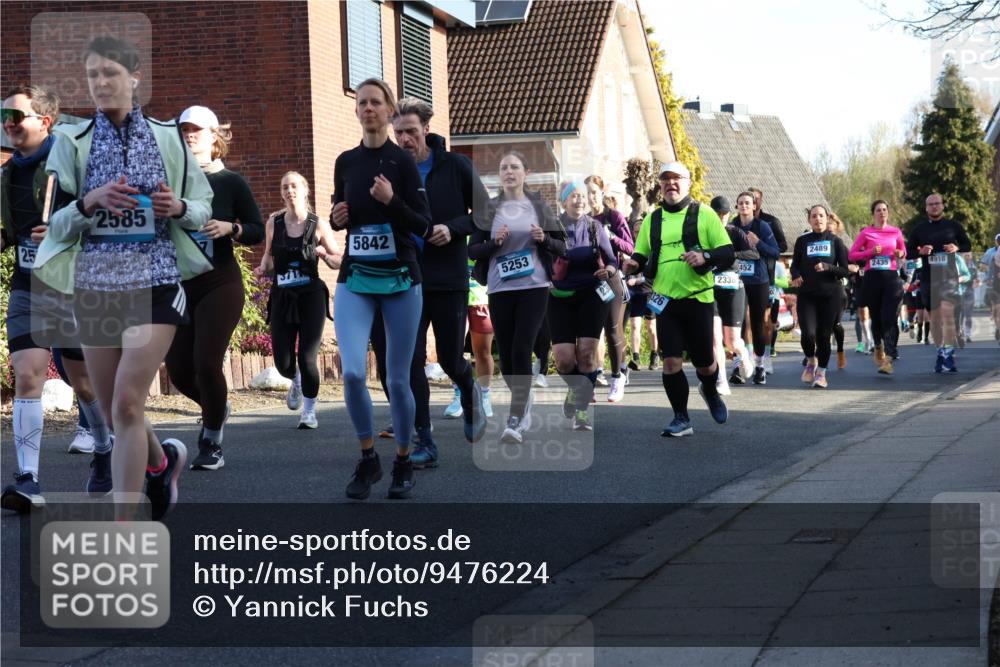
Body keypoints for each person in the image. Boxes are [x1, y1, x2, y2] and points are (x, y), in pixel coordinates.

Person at [33, 36, 213, 519]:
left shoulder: (168, 136)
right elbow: (53, 224)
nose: (100, 83)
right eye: (93, 75)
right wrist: (89, 203)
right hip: (95, 287)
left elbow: (201, 206)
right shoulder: (71, 142)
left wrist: (177, 207)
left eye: (110, 73)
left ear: (134, 78)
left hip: (154, 280)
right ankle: (162, 463)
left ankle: (124, 528)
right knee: (118, 410)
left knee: (130, 401)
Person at [1, 85, 111, 512]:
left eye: (16, 116)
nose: (8, 124)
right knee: (28, 376)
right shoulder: (7, 174)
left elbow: (108, 216)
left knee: (83, 383)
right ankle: (28, 479)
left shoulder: (74, 165)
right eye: (4, 117)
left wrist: (66, 229)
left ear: (44, 121)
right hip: (29, 287)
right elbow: (10, 233)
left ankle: (103, 448)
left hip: (74, 286)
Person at [331, 78, 431, 499]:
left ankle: (404, 459)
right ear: (356, 111)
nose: (368, 108)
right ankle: (369, 457)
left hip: (400, 279)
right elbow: (339, 215)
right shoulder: (346, 161)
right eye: (362, 102)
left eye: (376, 102)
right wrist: (337, 217)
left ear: (389, 110)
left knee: (397, 378)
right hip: (356, 276)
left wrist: (392, 201)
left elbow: (422, 224)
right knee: (353, 372)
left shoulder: (402, 163)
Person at [388, 97, 487, 468]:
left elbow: (486, 215)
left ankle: (469, 388)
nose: (404, 139)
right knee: (412, 360)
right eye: (398, 133)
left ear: (426, 130)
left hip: (447, 278)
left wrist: (453, 228)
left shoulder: (455, 166)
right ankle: (425, 440)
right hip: (406, 278)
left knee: (448, 357)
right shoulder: (392, 170)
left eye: (411, 131)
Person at [165, 106, 263, 469]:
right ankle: (217, 407)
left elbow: (257, 229)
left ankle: (212, 443)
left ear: (214, 136)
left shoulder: (230, 182)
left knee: (206, 362)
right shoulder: (171, 182)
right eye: (183, 129)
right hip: (180, 285)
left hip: (220, 282)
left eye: (196, 130)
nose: (189, 135)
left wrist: (231, 229)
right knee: (177, 370)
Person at [621, 162, 734, 437]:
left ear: (687, 183)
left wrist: (704, 256)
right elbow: (642, 254)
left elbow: (728, 253)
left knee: (705, 364)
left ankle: (710, 390)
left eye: (676, 179)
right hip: (664, 300)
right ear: (659, 185)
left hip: (698, 298)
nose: (671, 184)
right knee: (670, 362)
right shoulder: (653, 219)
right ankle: (681, 418)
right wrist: (632, 264)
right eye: (665, 180)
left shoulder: (704, 214)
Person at [469, 151, 565, 444]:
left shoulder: (538, 205)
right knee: (508, 360)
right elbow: (472, 251)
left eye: (514, 167)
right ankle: (523, 402)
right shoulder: (489, 209)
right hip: (499, 288)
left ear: (526, 172)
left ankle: (514, 420)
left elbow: (562, 245)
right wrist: (494, 244)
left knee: (522, 349)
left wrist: (543, 239)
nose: (509, 172)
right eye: (503, 168)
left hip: (534, 287)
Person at [255, 172, 337, 429]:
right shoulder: (273, 224)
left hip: (311, 296)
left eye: (294, 186)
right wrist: (262, 268)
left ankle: (309, 411)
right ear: (281, 193)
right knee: (283, 362)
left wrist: (324, 254)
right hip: (282, 297)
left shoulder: (317, 224)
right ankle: (296, 380)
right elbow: (268, 258)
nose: (289, 190)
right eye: (284, 187)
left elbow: (338, 261)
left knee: (308, 357)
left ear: (304, 191)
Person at [549, 180, 618, 429]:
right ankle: (576, 390)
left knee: (588, 355)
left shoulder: (595, 227)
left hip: (592, 294)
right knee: (564, 360)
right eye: (574, 196)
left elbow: (612, 260)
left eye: (582, 196)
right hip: (559, 296)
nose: (579, 200)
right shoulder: (552, 227)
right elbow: (540, 259)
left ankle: (581, 412)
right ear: (564, 201)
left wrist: (608, 270)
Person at [905, 193, 972, 372]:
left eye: (937, 204)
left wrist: (956, 248)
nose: (934, 207)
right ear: (926, 208)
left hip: (949, 278)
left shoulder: (953, 226)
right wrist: (921, 251)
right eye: (930, 204)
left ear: (942, 206)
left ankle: (949, 353)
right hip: (929, 279)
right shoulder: (919, 229)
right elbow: (908, 251)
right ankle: (941, 351)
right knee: (934, 319)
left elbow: (967, 245)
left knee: (947, 313)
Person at [790, 205, 850, 388]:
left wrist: (828, 267)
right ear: (810, 220)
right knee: (808, 334)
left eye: (821, 216)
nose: (818, 219)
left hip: (830, 295)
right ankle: (810, 361)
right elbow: (795, 265)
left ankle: (821, 374)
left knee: (824, 336)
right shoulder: (802, 241)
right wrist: (795, 275)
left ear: (827, 218)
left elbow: (844, 270)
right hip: (808, 294)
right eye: (814, 216)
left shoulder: (835, 242)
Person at [585, 175, 634, 402]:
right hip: (590, 280)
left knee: (613, 329)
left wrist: (611, 236)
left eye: (594, 192)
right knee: (591, 333)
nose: (590, 197)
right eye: (587, 192)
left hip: (612, 277)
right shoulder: (582, 219)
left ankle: (618, 376)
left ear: (602, 193)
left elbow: (630, 247)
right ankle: (591, 381)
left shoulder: (613, 216)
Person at [848, 200, 906, 374]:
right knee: (877, 317)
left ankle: (889, 356)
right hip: (872, 278)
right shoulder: (867, 232)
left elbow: (904, 251)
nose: (882, 213)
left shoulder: (895, 231)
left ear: (888, 212)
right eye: (878, 210)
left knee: (890, 317)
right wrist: (870, 253)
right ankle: (878, 346)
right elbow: (852, 255)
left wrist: (900, 253)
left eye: (884, 210)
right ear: (873, 214)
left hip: (891, 278)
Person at [733, 191, 780, 384]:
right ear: (737, 207)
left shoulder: (763, 226)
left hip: (759, 280)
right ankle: (739, 366)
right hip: (735, 280)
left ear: (754, 206)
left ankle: (760, 366)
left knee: (758, 324)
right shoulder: (732, 226)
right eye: (740, 203)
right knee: (737, 326)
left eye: (747, 203)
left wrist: (758, 242)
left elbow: (776, 252)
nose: (744, 206)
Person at [708, 196, 754, 390]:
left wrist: (731, 254)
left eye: (724, 214)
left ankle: (743, 353)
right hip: (711, 289)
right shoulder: (704, 233)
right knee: (715, 339)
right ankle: (721, 380)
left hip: (733, 288)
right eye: (717, 214)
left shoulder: (735, 232)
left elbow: (754, 253)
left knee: (732, 341)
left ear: (729, 214)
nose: (721, 218)